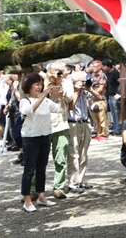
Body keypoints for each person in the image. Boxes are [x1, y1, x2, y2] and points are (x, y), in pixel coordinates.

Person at [19, 72, 60, 212]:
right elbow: (29, 111)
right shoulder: (25, 101)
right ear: (28, 86)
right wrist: (43, 96)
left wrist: (59, 95)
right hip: (30, 138)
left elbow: (60, 109)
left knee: (42, 168)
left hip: (45, 136)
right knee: (29, 169)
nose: (39, 87)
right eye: (36, 84)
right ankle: (27, 199)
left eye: (41, 84)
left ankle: (42, 196)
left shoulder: (46, 101)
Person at [45, 63, 73, 199]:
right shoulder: (42, 82)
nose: (58, 74)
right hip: (43, 125)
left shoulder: (67, 83)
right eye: (55, 71)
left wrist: (61, 87)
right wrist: (47, 82)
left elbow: (69, 98)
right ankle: (34, 189)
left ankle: (59, 187)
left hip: (61, 124)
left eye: (60, 71)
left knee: (60, 158)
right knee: (39, 159)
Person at [67, 71, 93, 193]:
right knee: (74, 153)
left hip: (85, 122)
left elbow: (98, 97)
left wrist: (89, 89)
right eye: (81, 81)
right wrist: (77, 91)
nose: (83, 83)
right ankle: (72, 183)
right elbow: (70, 106)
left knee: (83, 154)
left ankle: (80, 181)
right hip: (73, 123)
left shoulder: (85, 91)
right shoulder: (69, 91)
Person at [88, 60, 108, 141]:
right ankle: (98, 133)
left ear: (100, 67)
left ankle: (104, 134)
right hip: (92, 99)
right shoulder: (92, 75)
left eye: (95, 66)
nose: (93, 68)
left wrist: (92, 92)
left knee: (101, 117)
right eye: (92, 66)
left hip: (100, 98)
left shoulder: (102, 76)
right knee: (95, 118)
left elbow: (101, 88)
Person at [102, 59, 121, 135]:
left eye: (104, 66)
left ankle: (118, 128)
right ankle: (115, 128)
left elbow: (121, 83)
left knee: (116, 112)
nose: (103, 67)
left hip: (114, 95)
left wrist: (119, 93)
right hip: (109, 95)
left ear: (108, 66)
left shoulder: (115, 73)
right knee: (113, 113)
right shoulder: (107, 74)